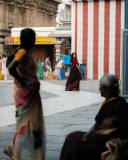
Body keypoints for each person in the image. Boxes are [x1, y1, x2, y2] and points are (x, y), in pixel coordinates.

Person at [60, 74, 128, 160]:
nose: (99, 89)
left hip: (107, 142)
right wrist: (89, 134)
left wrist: (90, 136)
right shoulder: (110, 102)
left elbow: (110, 130)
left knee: (78, 147)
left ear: (107, 89)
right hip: (98, 136)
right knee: (72, 136)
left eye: (101, 87)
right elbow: (98, 125)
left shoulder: (119, 105)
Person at [3, 28, 46, 160]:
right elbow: (11, 68)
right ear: (28, 40)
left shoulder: (23, 52)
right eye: (33, 38)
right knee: (26, 124)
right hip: (25, 95)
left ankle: (14, 147)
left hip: (29, 95)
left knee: (28, 124)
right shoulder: (22, 52)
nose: (34, 41)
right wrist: (22, 81)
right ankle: (17, 150)